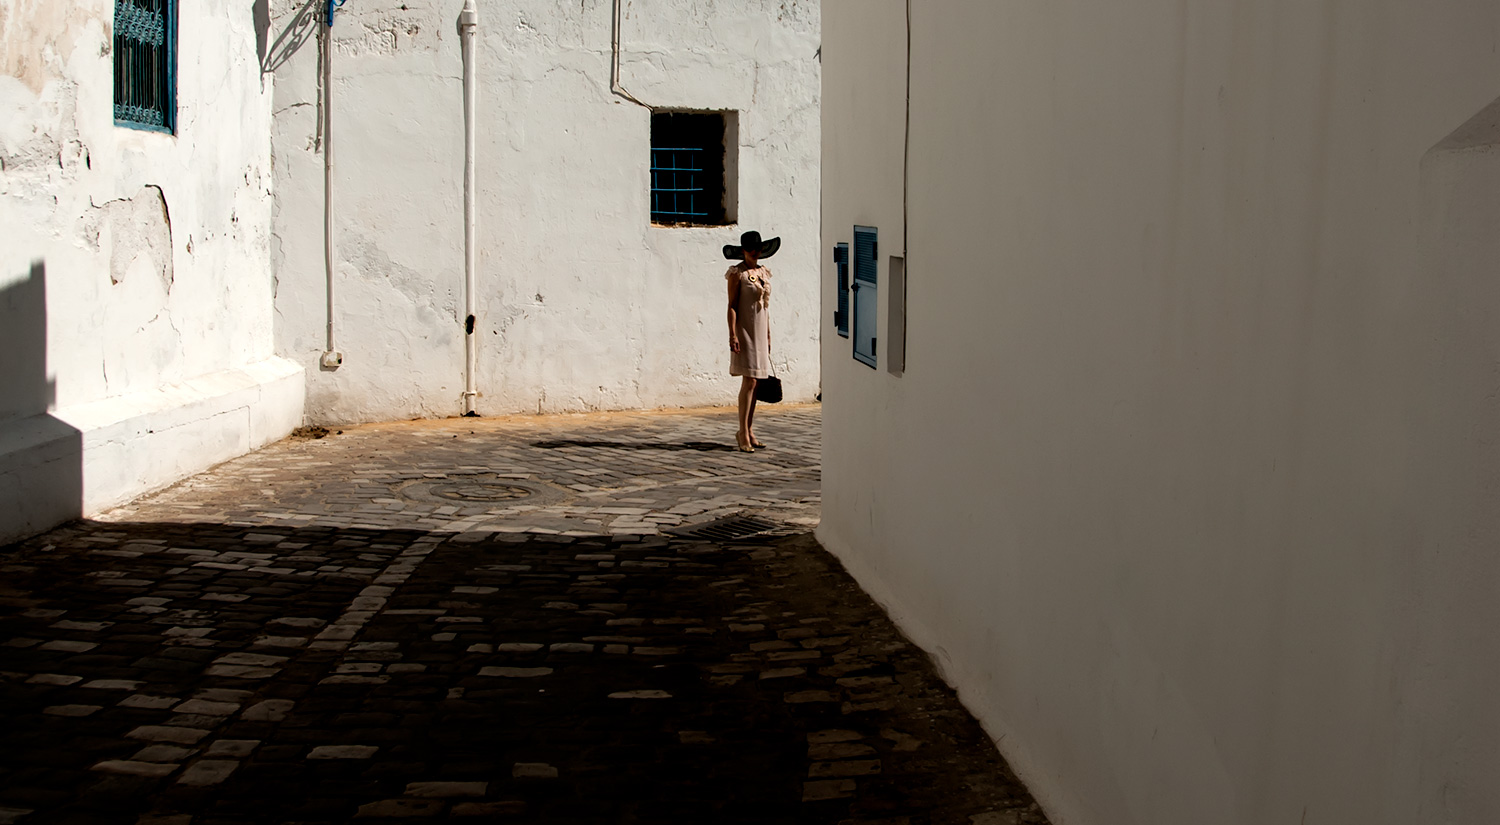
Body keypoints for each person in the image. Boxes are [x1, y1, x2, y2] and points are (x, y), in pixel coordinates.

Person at [724, 230, 780, 453]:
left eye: (758, 249)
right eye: (751, 249)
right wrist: (732, 334)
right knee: (749, 381)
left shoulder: (763, 272)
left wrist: (767, 333)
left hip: (759, 330)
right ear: (744, 251)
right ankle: (742, 432)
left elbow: (765, 307)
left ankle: (749, 428)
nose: (756, 253)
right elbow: (732, 305)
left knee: (756, 382)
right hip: (744, 330)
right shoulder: (737, 273)